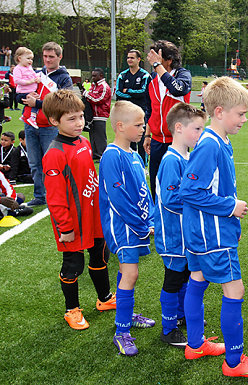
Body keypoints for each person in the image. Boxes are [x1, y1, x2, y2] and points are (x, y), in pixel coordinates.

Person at [180, 77, 248, 378]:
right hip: (212, 234)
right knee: (235, 289)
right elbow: (189, 192)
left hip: (205, 231)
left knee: (198, 277)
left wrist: (230, 218)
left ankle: (195, 344)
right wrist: (230, 208)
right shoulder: (210, 144)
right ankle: (234, 362)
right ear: (219, 112)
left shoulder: (218, 141)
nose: (244, 119)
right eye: (241, 114)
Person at [42, 90, 116, 331]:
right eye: (71, 119)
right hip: (72, 223)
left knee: (99, 257)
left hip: (93, 216)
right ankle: (71, 309)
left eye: (80, 117)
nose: (79, 123)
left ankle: (104, 298)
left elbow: (90, 178)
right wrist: (65, 227)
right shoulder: (54, 153)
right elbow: (54, 198)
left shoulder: (84, 142)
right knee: (73, 265)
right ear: (55, 121)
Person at [99, 101, 156, 356]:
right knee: (130, 274)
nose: (143, 128)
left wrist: (150, 220)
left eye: (143, 123)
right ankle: (121, 331)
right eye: (138, 124)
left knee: (128, 273)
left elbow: (144, 192)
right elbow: (118, 198)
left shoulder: (133, 153)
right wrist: (140, 225)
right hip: (122, 227)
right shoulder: (112, 155)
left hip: (137, 225)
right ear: (120, 126)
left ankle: (126, 313)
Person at [155, 102, 206, 348]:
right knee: (173, 279)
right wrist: (199, 204)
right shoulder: (171, 160)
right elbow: (171, 199)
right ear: (178, 128)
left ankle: (183, 315)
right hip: (173, 234)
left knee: (185, 275)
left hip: (186, 234)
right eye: (196, 129)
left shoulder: (187, 156)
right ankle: (168, 328)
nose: (200, 135)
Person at [22, 41, 73, 207]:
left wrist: (36, 104)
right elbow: (21, 94)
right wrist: (23, 97)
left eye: (51, 56)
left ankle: (55, 194)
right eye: (45, 56)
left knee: (51, 163)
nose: (47, 60)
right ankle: (39, 195)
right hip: (31, 124)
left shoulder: (64, 78)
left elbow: (64, 102)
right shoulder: (35, 73)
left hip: (49, 126)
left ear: (60, 57)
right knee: (34, 163)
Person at [144, 40, 192, 198]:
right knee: (155, 187)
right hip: (157, 141)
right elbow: (151, 109)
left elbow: (177, 89)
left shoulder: (182, 75)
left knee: (177, 188)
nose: (151, 60)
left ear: (169, 60)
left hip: (177, 141)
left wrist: (158, 66)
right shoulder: (151, 79)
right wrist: (147, 135)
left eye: (156, 56)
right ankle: (157, 220)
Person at [116, 49, 150, 162]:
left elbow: (143, 92)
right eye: (128, 58)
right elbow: (118, 92)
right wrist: (133, 95)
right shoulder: (122, 75)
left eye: (132, 58)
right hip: (126, 113)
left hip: (141, 112)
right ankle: (128, 161)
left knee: (141, 139)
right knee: (127, 138)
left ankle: (143, 164)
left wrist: (128, 91)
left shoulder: (145, 75)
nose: (129, 60)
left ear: (139, 59)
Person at [84, 67, 111, 160]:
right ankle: (95, 154)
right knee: (93, 135)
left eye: (95, 76)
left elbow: (99, 99)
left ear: (101, 76)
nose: (93, 77)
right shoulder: (93, 85)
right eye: (92, 76)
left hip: (101, 115)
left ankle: (102, 155)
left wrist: (87, 94)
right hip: (92, 115)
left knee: (100, 136)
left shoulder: (104, 86)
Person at [13, 47, 41, 128]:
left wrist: (38, 77)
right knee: (36, 101)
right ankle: (32, 117)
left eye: (31, 59)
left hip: (30, 91)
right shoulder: (17, 69)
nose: (30, 61)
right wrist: (30, 81)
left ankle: (24, 115)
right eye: (28, 58)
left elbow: (34, 75)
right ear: (19, 58)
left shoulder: (29, 68)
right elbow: (17, 80)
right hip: (23, 92)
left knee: (30, 102)